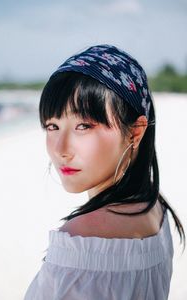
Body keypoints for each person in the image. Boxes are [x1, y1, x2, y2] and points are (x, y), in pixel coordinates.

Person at [24, 44, 185, 300]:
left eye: (84, 126)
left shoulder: (82, 243)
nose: (61, 150)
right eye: (52, 126)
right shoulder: (154, 208)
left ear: (135, 132)